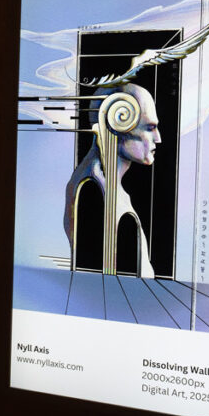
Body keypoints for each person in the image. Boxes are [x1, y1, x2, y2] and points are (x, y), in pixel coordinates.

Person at [63, 83, 161, 278]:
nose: (158, 138)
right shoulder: (92, 188)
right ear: (116, 124)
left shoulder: (104, 185)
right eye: (149, 128)